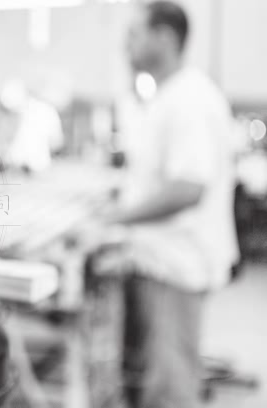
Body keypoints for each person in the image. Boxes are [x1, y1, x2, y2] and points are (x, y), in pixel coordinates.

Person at [73, 2, 239, 408]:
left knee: (170, 388)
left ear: (164, 37)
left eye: (135, 34)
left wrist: (117, 218)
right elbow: (156, 177)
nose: (125, 44)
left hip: (177, 265)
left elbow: (188, 188)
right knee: (150, 381)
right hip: (158, 261)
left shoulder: (189, 99)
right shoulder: (165, 96)